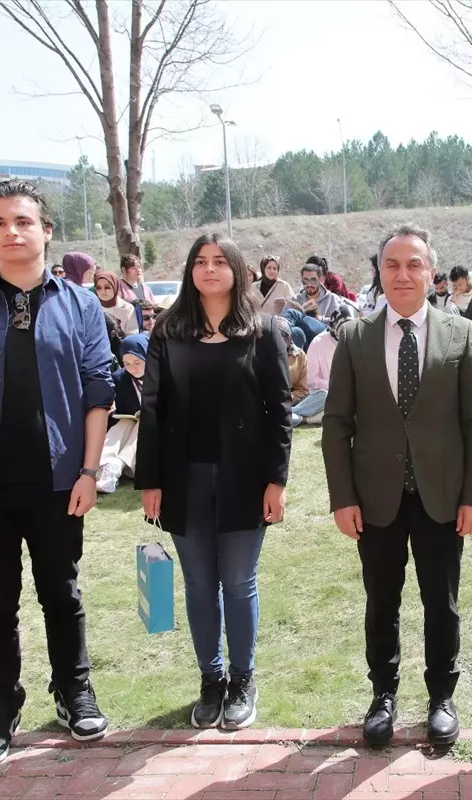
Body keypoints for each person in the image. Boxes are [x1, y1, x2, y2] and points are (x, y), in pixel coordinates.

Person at [0, 179, 114, 767]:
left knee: (62, 591)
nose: (12, 231)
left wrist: (89, 469)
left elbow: (97, 392)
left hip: (58, 478)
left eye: (23, 221)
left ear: (46, 230)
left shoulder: (80, 303)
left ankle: (74, 691)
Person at [322, 223, 472, 748]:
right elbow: (336, 425)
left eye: (413, 264)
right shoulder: (355, 337)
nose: (402, 274)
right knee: (382, 601)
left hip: (442, 496)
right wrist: (343, 496)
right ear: (379, 271)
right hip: (376, 498)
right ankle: (383, 695)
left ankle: (442, 695)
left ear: (431, 271)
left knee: (442, 602)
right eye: (391, 264)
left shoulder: (460, 333)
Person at [135, 232, 291, 731]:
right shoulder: (168, 330)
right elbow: (153, 408)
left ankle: (244, 679)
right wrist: (150, 480)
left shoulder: (265, 331)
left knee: (238, 583)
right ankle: (212, 678)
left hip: (246, 478)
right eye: (200, 261)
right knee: (200, 583)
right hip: (184, 477)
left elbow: (280, 411)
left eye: (219, 261)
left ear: (239, 270)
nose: (208, 269)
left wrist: (277, 481)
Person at [97, 334, 149, 494]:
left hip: (155, 443)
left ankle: (117, 465)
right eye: (126, 364)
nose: (133, 368)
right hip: (132, 434)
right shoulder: (120, 378)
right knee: (125, 422)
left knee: (147, 420)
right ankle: (106, 466)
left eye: (137, 362)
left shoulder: (165, 375)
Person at [294, 305, 357, 427]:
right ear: (334, 327)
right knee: (326, 397)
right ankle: (292, 414)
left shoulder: (359, 342)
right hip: (323, 397)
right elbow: (311, 382)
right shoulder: (318, 343)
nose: (347, 332)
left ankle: (300, 418)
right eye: (343, 328)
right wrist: (337, 386)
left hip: (351, 396)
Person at [94, 270, 140, 335]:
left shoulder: (127, 308)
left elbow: (133, 334)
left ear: (115, 287)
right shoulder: (93, 308)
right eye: (98, 288)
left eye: (107, 287)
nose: (103, 291)